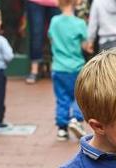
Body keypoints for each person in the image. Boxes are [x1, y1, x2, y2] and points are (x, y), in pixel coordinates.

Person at [48, 0, 87, 141]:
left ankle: (62, 129)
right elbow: (85, 45)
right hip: (76, 66)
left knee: (62, 97)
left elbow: (51, 39)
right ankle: (76, 119)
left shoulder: (54, 21)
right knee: (79, 95)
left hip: (58, 67)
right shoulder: (80, 23)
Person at [25, 0, 60, 84]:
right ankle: (34, 70)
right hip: (35, 2)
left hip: (56, 2)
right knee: (36, 33)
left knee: (57, 35)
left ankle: (56, 69)